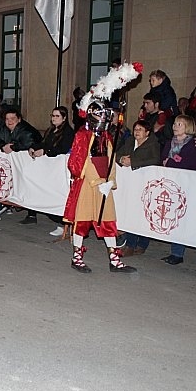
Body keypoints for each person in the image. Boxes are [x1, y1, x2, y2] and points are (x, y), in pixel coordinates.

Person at [63, 100, 136, 273]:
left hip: (104, 183)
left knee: (108, 221)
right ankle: (77, 257)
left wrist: (110, 179)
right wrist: (96, 181)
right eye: (98, 114)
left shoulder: (107, 136)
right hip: (89, 184)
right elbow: (81, 161)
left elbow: (110, 159)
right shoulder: (82, 135)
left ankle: (114, 259)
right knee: (82, 221)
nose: (102, 117)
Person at [0, 108, 43, 221]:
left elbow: (29, 142)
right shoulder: (4, 129)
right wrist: (2, 145)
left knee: (28, 186)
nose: (9, 121)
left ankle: (31, 214)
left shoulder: (26, 130)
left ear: (19, 119)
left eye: (12, 119)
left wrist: (13, 147)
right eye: (7, 119)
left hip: (28, 164)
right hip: (10, 164)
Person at [159, 114, 196, 265]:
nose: (175, 126)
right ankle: (174, 251)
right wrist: (173, 162)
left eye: (179, 124)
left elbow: (192, 164)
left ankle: (178, 253)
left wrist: (171, 162)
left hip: (186, 185)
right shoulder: (170, 142)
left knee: (180, 218)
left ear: (188, 127)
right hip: (171, 184)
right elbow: (163, 158)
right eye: (175, 123)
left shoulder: (193, 145)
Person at [115, 119, 161, 256]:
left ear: (147, 132)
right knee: (131, 211)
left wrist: (134, 162)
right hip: (129, 183)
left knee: (141, 213)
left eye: (140, 130)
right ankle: (131, 243)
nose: (136, 132)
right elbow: (117, 153)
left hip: (145, 183)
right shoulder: (130, 141)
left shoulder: (153, 144)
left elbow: (155, 160)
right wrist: (121, 159)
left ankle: (136, 244)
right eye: (135, 129)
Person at [26, 106, 75, 234]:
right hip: (49, 169)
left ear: (64, 118)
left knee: (57, 195)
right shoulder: (50, 130)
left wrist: (46, 152)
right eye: (53, 116)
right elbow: (43, 143)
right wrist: (33, 147)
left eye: (57, 116)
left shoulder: (68, 133)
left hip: (59, 169)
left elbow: (62, 149)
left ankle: (62, 222)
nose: (54, 118)